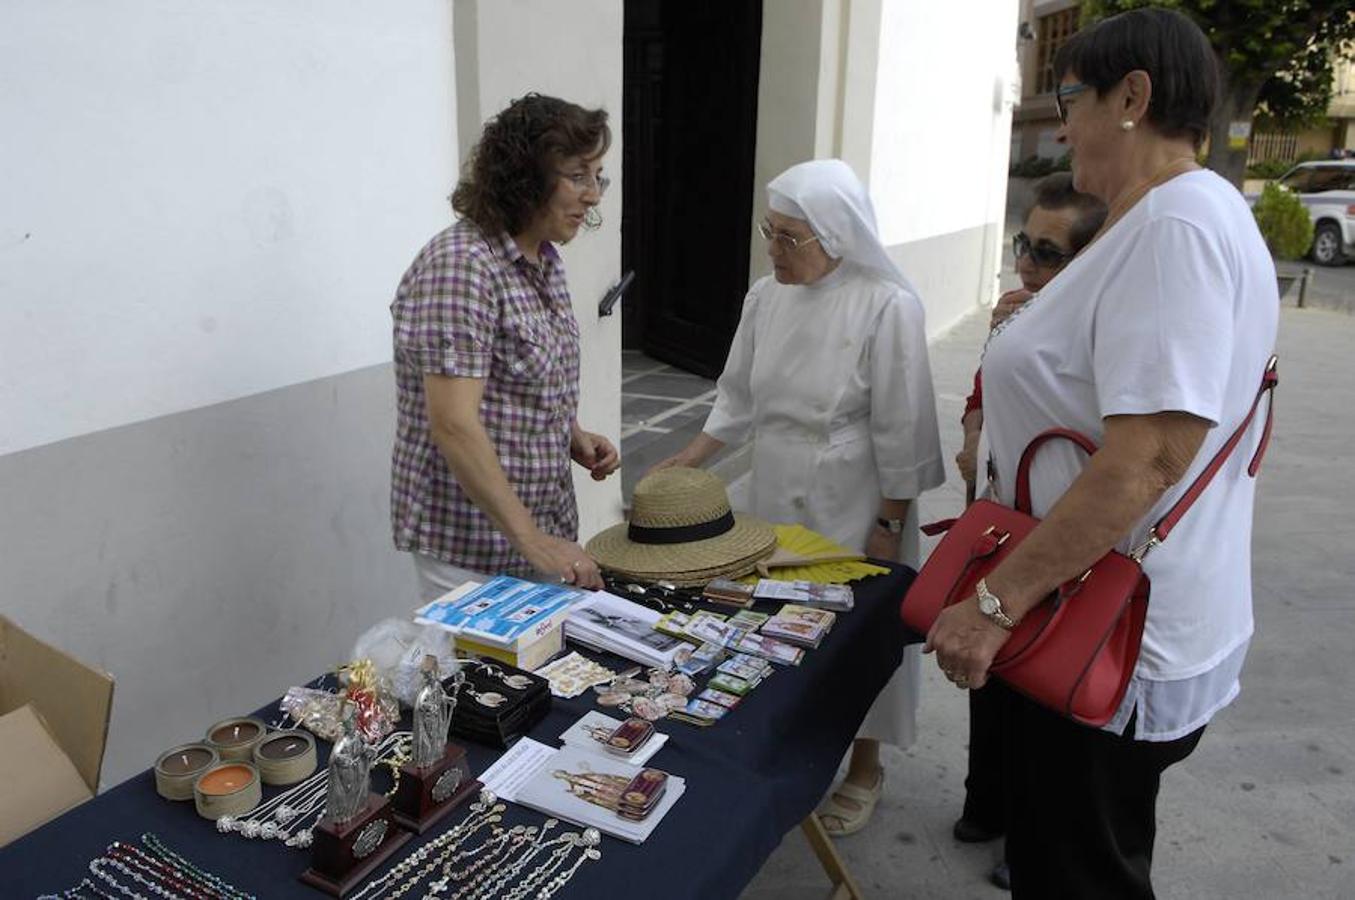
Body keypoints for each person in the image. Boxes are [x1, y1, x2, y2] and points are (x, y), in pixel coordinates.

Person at [924, 8, 1279, 897]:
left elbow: (1148, 457)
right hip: (1099, 608)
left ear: (1133, 97)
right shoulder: (1168, 220)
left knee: (1076, 874)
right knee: (1084, 854)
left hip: (1097, 622)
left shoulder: (1176, 227)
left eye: (1069, 97)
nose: (1060, 123)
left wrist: (995, 603)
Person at [650, 158, 945, 836]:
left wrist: (888, 523)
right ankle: (782, 745)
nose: (772, 249)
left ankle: (865, 764)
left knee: (857, 632)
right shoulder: (766, 296)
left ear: (836, 237)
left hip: (858, 495)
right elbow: (737, 394)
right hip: (774, 481)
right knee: (771, 625)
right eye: (770, 231)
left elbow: (902, 423)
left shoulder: (886, 305)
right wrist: (691, 459)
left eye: (789, 238)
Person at [389, 94, 620, 602]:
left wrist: (571, 433)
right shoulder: (462, 266)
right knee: (484, 681)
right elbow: (453, 422)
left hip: (538, 531)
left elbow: (515, 376)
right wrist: (533, 541)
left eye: (597, 177)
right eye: (578, 176)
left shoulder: (543, 259)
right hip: (472, 548)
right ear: (526, 176)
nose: (594, 195)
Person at [950, 175, 1106, 892]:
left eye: (1044, 253)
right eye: (1022, 244)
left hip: (1062, 537)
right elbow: (982, 396)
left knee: (1047, 678)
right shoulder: (1019, 313)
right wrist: (974, 437)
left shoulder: (1101, 326)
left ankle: (1034, 833)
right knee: (993, 678)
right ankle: (989, 800)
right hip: (999, 519)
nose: (1024, 265)